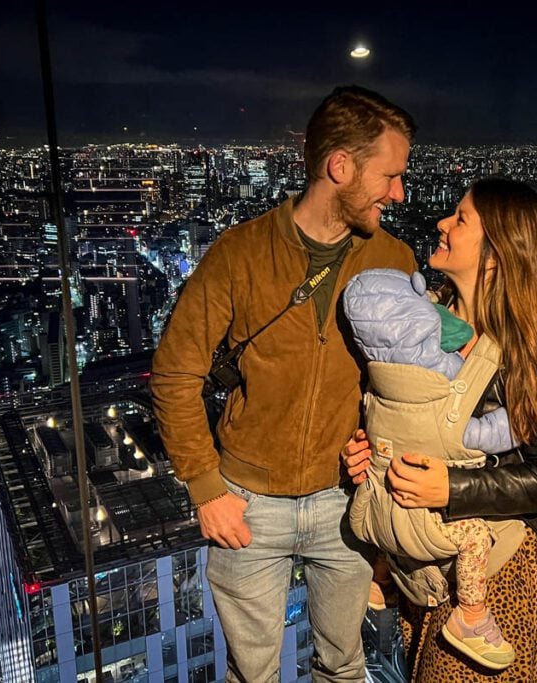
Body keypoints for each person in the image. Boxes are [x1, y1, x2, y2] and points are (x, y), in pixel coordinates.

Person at [150, 85, 418, 682]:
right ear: (340, 166)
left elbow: (412, 382)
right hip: (247, 500)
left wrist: (376, 445)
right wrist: (205, 486)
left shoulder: (394, 261)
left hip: (345, 500)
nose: (399, 193)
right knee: (253, 677)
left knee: (345, 665)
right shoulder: (240, 254)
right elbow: (174, 373)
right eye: (391, 175)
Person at [342, 177, 537, 681]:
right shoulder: (418, 323)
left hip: (499, 568)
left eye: (460, 219)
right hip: (420, 561)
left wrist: (452, 488)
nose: (442, 224)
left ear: (496, 252)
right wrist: (366, 453)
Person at [342, 267, 519, 670]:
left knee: (390, 497)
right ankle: (472, 616)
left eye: (459, 219)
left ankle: (380, 576)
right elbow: (487, 434)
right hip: (433, 527)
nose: (442, 223)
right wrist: (521, 424)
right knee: (473, 535)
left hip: (374, 513)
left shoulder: (377, 387)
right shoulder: (445, 392)